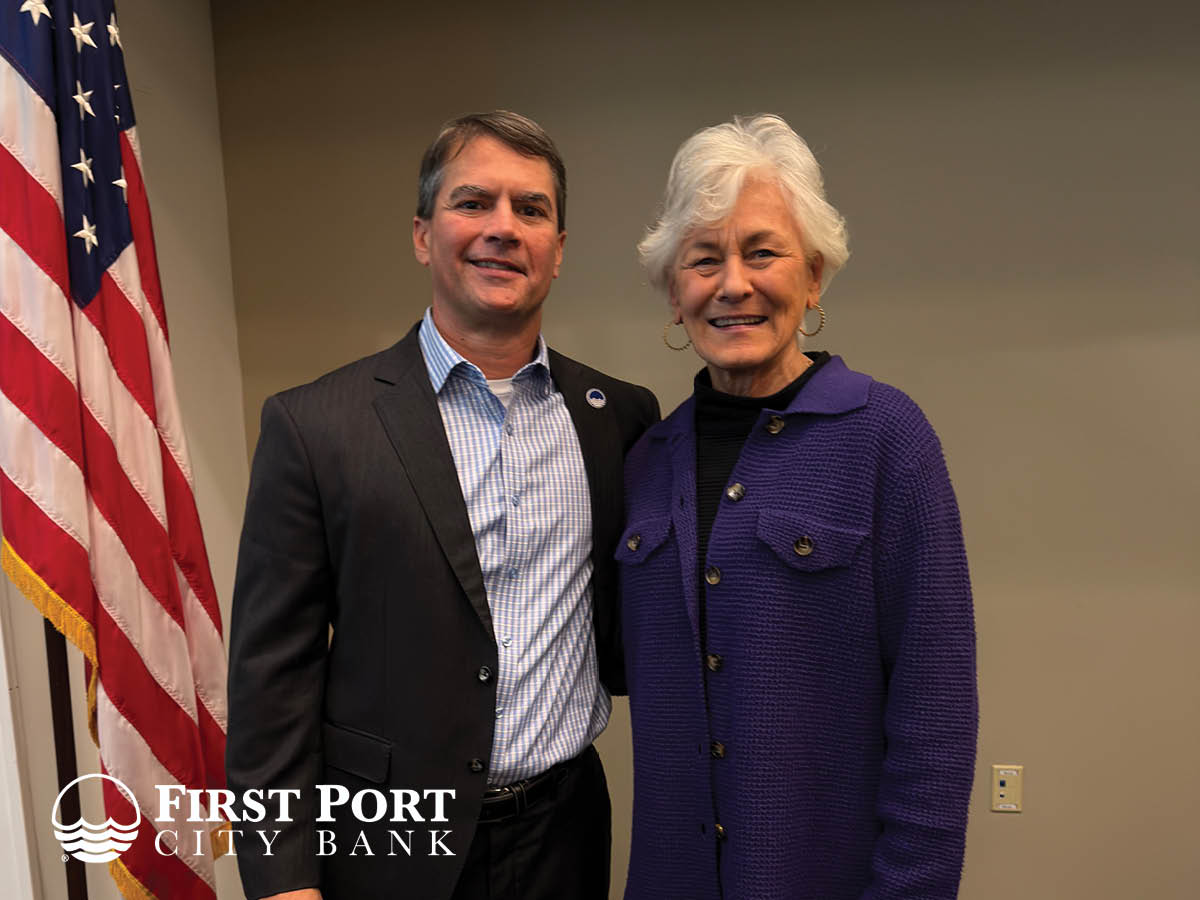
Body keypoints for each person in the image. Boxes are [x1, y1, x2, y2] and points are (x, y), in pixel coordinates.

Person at [227, 111, 659, 900]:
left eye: (531, 209)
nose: (504, 228)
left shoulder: (619, 418)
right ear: (423, 235)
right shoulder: (316, 426)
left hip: (563, 839)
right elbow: (270, 686)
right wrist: (284, 882)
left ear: (558, 249)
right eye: (473, 202)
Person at [617, 115, 977, 899]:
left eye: (762, 253)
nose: (732, 284)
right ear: (675, 293)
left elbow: (936, 713)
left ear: (813, 277)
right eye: (703, 259)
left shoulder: (886, 437)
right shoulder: (646, 461)